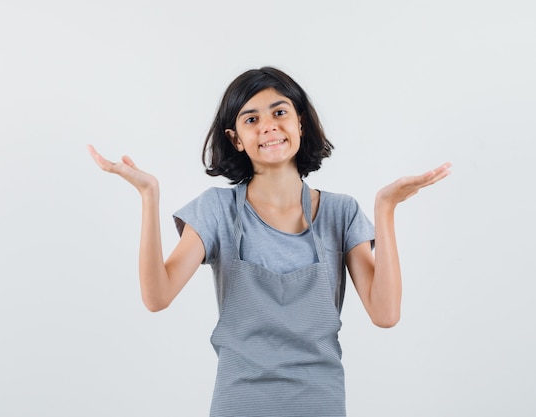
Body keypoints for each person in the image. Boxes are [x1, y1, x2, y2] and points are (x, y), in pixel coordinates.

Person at [87, 66, 451, 417]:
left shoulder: (342, 213)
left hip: (320, 404)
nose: (269, 127)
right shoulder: (217, 210)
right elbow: (157, 296)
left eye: (279, 112)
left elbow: (385, 314)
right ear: (235, 139)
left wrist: (385, 209)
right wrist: (149, 195)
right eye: (251, 119)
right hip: (239, 403)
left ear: (300, 122)